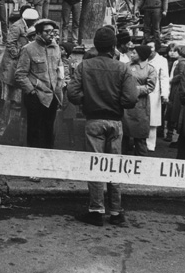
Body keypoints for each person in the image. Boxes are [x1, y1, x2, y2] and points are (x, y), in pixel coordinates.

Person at [68, 27, 138, 227]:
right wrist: (117, 103)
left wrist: (89, 101)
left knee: (96, 166)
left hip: (93, 121)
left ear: (96, 46)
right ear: (114, 46)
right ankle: (116, 212)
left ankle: (96, 210)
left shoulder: (84, 66)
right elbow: (131, 98)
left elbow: (72, 94)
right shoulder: (123, 68)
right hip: (116, 122)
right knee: (113, 167)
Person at [15, 19, 63, 149]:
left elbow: (59, 68)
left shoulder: (56, 48)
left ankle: (47, 160)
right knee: (34, 131)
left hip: (52, 96)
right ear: (39, 33)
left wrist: (59, 87)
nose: (51, 34)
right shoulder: (28, 49)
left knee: (49, 130)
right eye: (47, 31)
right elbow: (20, 75)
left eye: (53, 31)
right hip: (36, 97)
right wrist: (31, 91)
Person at [0, 7, 39, 141]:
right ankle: (8, 129)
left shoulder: (29, 26)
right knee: (13, 98)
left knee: (16, 100)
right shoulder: (17, 26)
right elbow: (10, 44)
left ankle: (12, 128)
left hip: (20, 62)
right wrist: (19, 55)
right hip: (12, 64)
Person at [122, 45, 156, 156]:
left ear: (141, 55)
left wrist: (133, 89)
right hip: (125, 105)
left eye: (134, 53)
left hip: (141, 106)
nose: (131, 55)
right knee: (123, 137)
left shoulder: (150, 69)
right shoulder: (125, 66)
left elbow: (150, 87)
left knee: (140, 137)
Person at [146, 38, 169, 151]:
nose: (149, 50)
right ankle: (139, 142)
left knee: (153, 120)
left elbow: (164, 78)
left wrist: (165, 94)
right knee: (141, 118)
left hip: (154, 93)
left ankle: (150, 144)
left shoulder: (161, 60)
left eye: (151, 47)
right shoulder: (141, 57)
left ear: (156, 48)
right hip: (141, 91)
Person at [166, 45, 185, 146]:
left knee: (175, 112)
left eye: (176, 51)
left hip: (177, 89)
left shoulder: (182, 62)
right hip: (176, 88)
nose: (174, 53)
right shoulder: (180, 61)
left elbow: (181, 75)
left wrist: (172, 80)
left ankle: (176, 137)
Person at [58, 42, 77, 148]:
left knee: (69, 118)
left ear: (66, 52)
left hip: (67, 90)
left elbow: (73, 75)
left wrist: (69, 82)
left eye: (62, 49)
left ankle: (71, 138)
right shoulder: (56, 60)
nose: (60, 51)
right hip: (58, 88)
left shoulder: (71, 62)